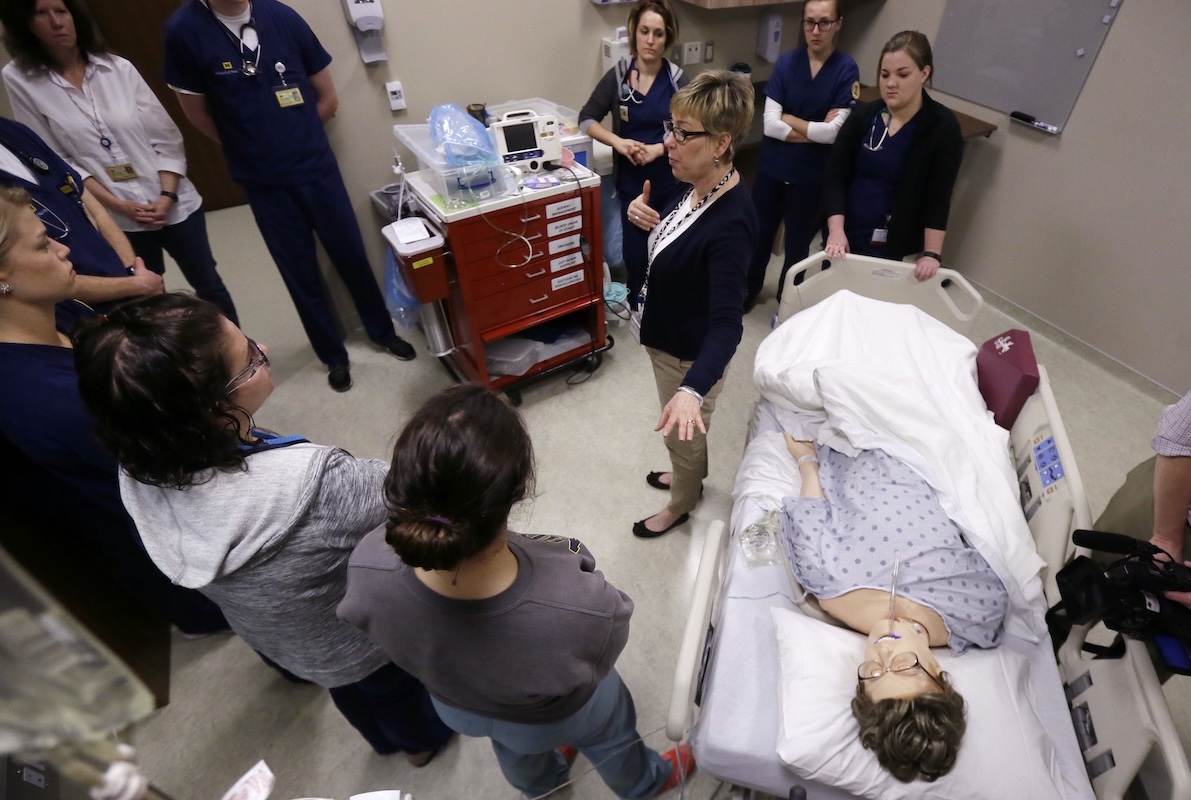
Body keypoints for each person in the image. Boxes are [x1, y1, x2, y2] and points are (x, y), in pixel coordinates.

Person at [71, 293, 453, 762]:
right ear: (213, 411)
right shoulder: (322, 485)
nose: (265, 350)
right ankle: (421, 743)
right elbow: (408, 495)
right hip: (361, 639)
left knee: (347, 692)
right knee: (392, 692)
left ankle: (383, 744)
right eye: (249, 359)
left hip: (285, 640)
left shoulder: (136, 468)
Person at [338, 384, 694, 799]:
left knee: (514, 748)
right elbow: (604, 649)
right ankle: (644, 783)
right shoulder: (576, 603)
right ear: (521, 485)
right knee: (612, 730)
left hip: (457, 709)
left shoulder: (367, 561)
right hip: (558, 716)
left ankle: (541, 786)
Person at [0, 185, 226, 635]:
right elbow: (178, 470)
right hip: (158, 523)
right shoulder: (50, 399)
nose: (66, 250)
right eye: (44, 245)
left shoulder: (54, 309)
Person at [163, 0, 414, 392]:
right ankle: (333, 355)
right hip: (264, 182)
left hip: (316, 169)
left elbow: (327, 97)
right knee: (299, 272)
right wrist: (249, 148)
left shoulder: (281, 17)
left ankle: (382, 332)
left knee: (350, 254)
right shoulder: (184, 30)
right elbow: (197, 114)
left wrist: (298, 137)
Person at [781, 433, 1007, 782]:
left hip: (854, 442)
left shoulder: (829, 586)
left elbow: (811, 507)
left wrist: (804, 459)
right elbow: (982, 522)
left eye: (873, 671)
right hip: (926, 448)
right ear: (936, 668)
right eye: (904, 666)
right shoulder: (980, 611)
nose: (883, 652)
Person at [1, 0, 239, 325]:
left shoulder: (117, 67)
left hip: (174, 202)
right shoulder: (21, 80)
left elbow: (165, 137)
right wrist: (120, 205)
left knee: (210, 285)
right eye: (42, 13)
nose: (56, 22)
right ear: (25, 25)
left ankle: (238, 354)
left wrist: (166, 196)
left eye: (62, 11)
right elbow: (54, 160)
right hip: (118, 218)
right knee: (147, 299)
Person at [624, 70, 757, 538]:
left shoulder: (732, 222)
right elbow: (676, 241)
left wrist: (692, 390)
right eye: (670, 127)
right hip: (667, 333)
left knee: (682, 435)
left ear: (721, 143)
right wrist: (643, 221)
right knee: (683, 441)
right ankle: (689, 478)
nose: (670, 143)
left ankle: (683, 501)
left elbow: (727, 324)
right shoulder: (696, 184)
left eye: (684, 133)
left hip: (688, 357)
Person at [822, 31, 963, 282]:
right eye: (885, 75)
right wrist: (835, 231)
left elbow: (939, 196)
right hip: (845, 235)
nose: (890, 83)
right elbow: (835, 177)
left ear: (924, 73)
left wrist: (932, 253)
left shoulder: (942, 127)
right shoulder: (864, 116)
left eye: (903, 74)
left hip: (893, 242)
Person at [0, 116, 164, 331]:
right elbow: (26, 277)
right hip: (72, 315)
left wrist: (132, 271)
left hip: (128, 289)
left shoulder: (13, 131)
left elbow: (91, 207)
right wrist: (134, 286)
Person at [745, 0, 858, 308]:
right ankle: (749, 290)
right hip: (772, 169)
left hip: (811, 176)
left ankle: (787, 299)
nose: (815, 30)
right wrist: (814, 128)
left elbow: (833, 133)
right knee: (759, 237)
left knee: (796, 247)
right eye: (809, 22)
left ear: (838, 23)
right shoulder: (786, 63)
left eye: (824, 22)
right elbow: (769, 126)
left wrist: (790, 119)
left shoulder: (846, 69)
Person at [580, 0, 687, 299]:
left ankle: (662, 308)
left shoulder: (677, 82)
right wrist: (618, 142)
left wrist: (658, 149)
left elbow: (691, 132)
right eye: (644, 31)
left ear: (668, 38)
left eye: (658, 33)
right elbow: (586, 118)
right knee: (635, 256)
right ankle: (639, 309)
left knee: (665, 254)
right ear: (634, 33)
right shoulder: (619, 76)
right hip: (631, 188)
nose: (650, 41)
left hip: (670, 184)